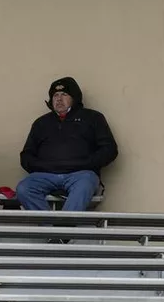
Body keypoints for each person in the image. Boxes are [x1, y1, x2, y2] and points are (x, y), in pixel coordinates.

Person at [17, 77, 117, 212]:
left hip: (81, 174)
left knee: (85, 184)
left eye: (64, 94)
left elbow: (109, 149)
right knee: (24, 188)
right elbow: (26, 156)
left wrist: (86, 163)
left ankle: (66, 226)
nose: (59, 99)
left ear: (74, 97)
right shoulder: (41, 123)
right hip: (46, 175)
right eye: (55, 95)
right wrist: (44, 166)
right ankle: (49, 229)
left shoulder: (93, 118)